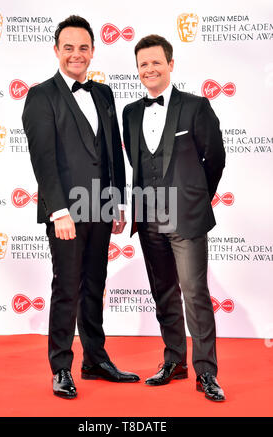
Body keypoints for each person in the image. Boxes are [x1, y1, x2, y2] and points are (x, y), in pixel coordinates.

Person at [22, 15, 139, 400]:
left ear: (93, 51)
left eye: (83, 47)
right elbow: (44, 159)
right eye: (68, 47)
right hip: (67, 213)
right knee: (67, 287)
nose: (76, 54)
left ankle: (94, 359)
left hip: (102, 206)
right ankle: (60, 367)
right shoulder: (41, 96)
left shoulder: (103, 93)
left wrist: (118, 200)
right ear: (56, 50)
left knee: (95, 285)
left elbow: (112, 152)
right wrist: (58, 211)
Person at [123, 34, 226, 401]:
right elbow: (137, 163)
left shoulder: (196, 107)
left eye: (155, 62)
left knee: (195, 294)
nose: (149, 69)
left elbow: (214, 159)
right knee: (163, 293)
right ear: (137, 70)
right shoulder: (130, 112)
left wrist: (195, 199)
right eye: (142, 64)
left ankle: (206, 373)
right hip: (148, 218)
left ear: (170, 64)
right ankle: (174, 361)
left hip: (187, 218)